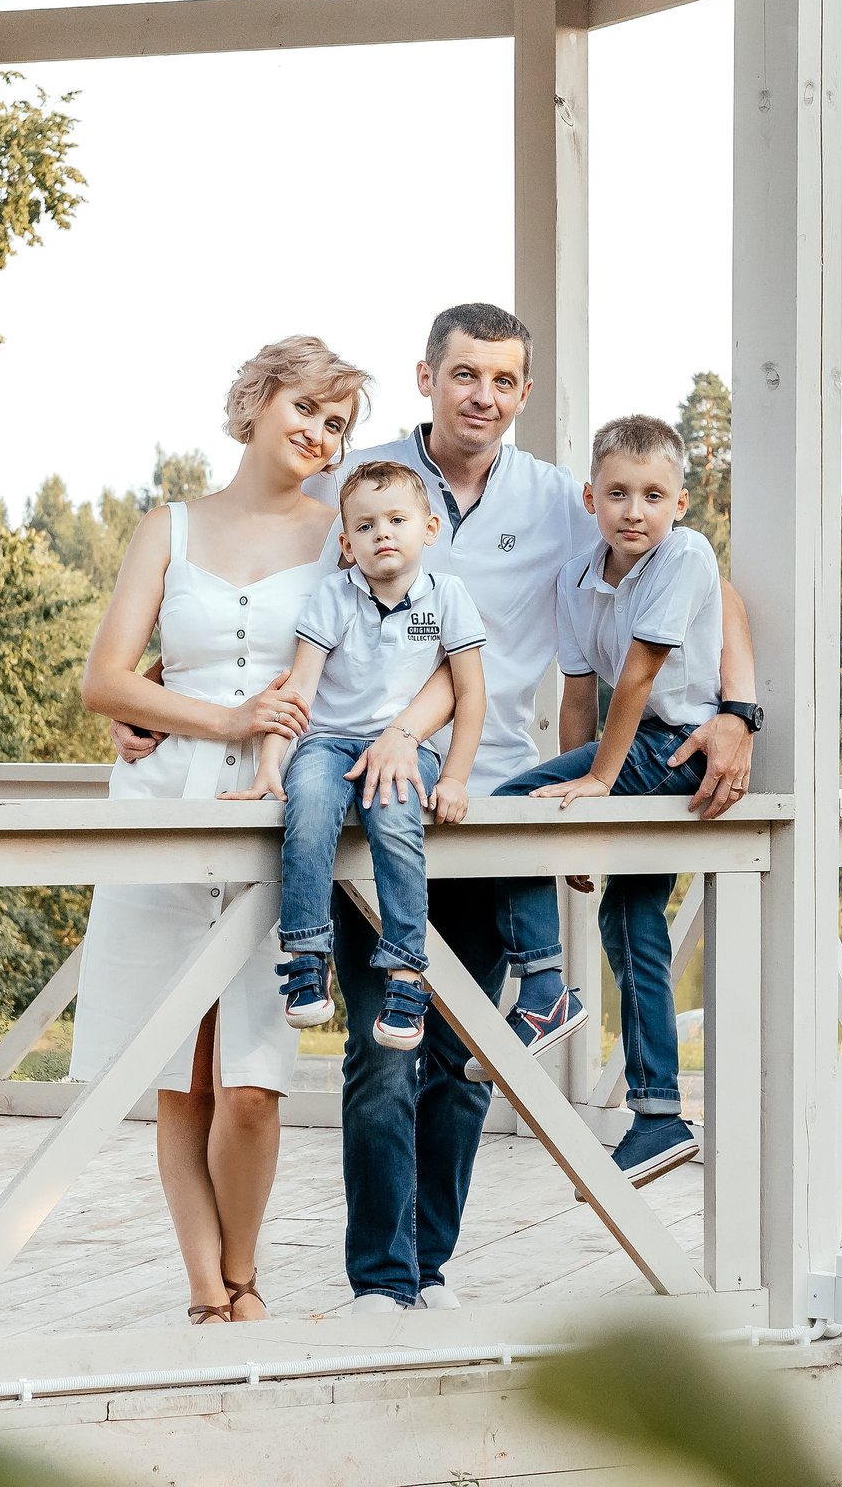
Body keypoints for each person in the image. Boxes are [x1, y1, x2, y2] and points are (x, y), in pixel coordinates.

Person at [252, 301, 759, 1315]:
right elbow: (265, 593)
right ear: (426, 378)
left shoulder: (564, 500)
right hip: (368, 803)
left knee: (463, 1060)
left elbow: (691, 568)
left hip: (492, 807)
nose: (482, 394)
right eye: (463, 374)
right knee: (378, 1053)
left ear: (523, 393)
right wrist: (168, 695)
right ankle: (377, 1282)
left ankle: (427, 1268)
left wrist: (739, 711)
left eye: (502, 379)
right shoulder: (365, 484)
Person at [74, 335, 371, 1326]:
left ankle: (243, 1274)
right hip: (163, 798)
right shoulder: (171, 526)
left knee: (250, 1076)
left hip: (278, 803)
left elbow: (379, 655)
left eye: (337, 424)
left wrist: (274, 726)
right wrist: (206, 714)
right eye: (306, 408)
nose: (319, 434)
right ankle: (210, 1292)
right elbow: (103, 680)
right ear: (256, 400)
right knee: (178, 1068)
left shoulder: (342, 534)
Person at [487, 414, 738, 1188]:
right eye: (619, 493)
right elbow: (579, 697)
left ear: (681, 503)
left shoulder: (685, 557)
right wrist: (585, 815)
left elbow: (637, 676)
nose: (635, 510)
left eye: (653, 495)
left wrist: (596, 783)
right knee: (630, 924)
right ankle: (659, 1115)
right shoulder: (575, 578)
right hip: (627, 749)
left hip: (676, 749)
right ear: (590, 498)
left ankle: (542, 985)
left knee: (508, 807)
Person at [224, 458, 489, 1053]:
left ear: (430, 528)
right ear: (347, 544)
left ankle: (405, 972)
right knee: (310, 807)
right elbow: (300, 690)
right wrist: (271, 766)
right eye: (366, 526)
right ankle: (306, 956)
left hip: (404, 748)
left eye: (397, 519)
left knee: (396, 820)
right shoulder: (333, 598)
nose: (382, 534)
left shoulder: (448, 597)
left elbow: (471, 694)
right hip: (328, 741)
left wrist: (456, 778)